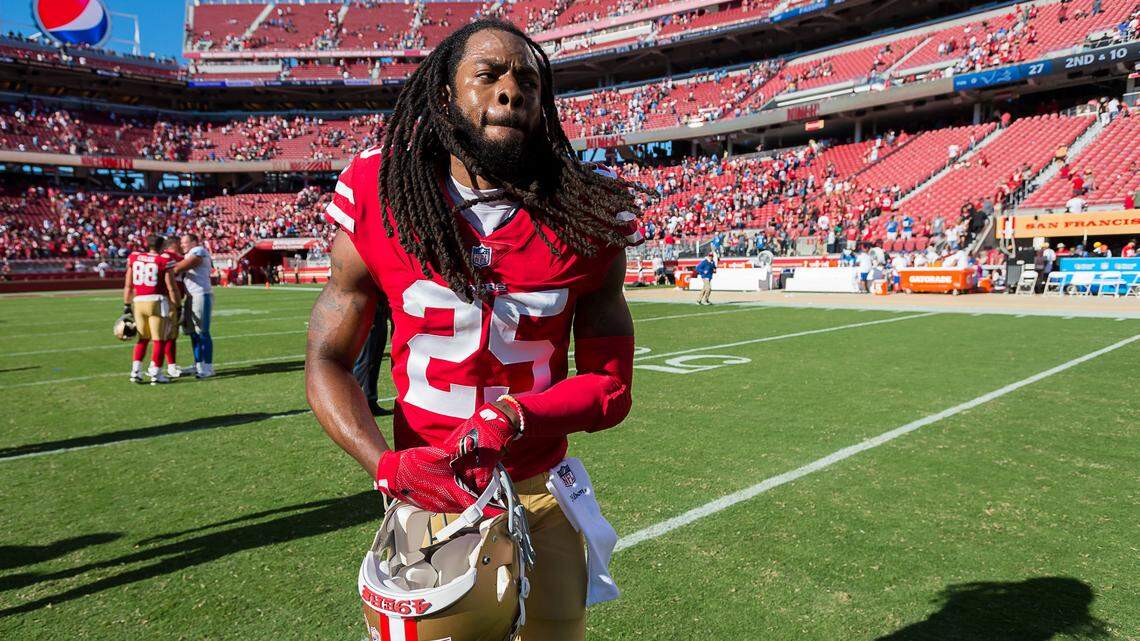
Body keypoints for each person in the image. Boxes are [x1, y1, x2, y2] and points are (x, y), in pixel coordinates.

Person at [305, 20, 644, 641]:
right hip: (431, 495)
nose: (512, 91)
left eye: (529, 82)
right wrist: (387, 466)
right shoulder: (381, 191)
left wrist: (515, 416)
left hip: (541, 491)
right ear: (443, 96)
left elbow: (611, 388)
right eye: (488, 75)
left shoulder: (587, 214)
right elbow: (326, 358)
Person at [123, 234, 180, 385]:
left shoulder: (135, 257)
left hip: (138, 302)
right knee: (159, 340)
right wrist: (177, 306)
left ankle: (135, 372)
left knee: (142, 338)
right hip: (156, 301)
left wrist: (126, 305)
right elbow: (171, 287)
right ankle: (156, 373)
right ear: (162, 246)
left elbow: (128, 285)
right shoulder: (163, 260)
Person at [173, 234, 215, 378]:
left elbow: (186, 265)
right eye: (181, 242)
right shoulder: (187, 254)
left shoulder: (198, 251)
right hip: (191, 296)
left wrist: (167, 268)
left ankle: (208, 367)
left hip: (201, 294)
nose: (182, 245)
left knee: (202, 331)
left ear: (194, 242)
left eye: (185, 242)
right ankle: (199, 364)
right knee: (192, 333)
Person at [353, 297, 392, 416]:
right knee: (364, 361)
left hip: (382, 314)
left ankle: (371, 401)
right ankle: (350, 403)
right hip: (369, 313)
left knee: (375, 362)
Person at [160, 237, 186, 379]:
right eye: (181, 244)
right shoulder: (167, 256)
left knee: (170, 334)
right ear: (175, 244)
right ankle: (169, 366)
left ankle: (167, 365)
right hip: (168, 300)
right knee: (169, 334)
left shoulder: (174, 257)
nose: (183, 246)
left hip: (172, 299)